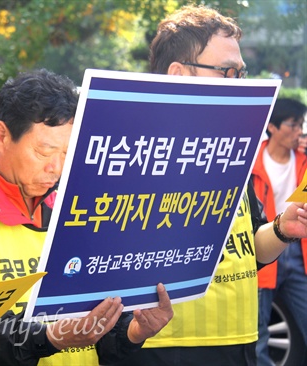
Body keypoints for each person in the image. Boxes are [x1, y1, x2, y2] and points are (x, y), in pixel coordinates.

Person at [0, 69, 174, 366]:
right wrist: (49, 338)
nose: (56, 169)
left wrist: (132, 331)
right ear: (2, 135)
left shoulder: (73, 207)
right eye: (44, 151)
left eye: (68, 153)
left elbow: (98, 322)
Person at [121, 5, 307, 366]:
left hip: (238, 341)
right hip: (160, 348)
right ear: (178, 73)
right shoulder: (129, 155)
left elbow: (250, 247)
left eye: (242, 72)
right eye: (228, 71)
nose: (238, 83)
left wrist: (283, 230)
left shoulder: (231, 150)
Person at [251, 98, 307, 365]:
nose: (299, 132)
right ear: (272, 127)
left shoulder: (304, 160)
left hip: (299, 251)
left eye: (301, 126)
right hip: (263, 246)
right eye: (293, 125)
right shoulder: (250, 161)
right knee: (259, 333)